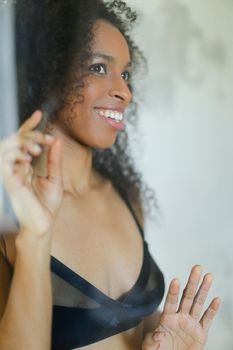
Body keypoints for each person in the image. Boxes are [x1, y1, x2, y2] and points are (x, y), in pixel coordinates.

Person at [0, 0, 220, 349]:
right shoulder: (8, 214)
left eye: (126, 74)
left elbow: (123, 325)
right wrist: (36, 238)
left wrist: (161, 337)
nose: (125, 92)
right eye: (100, 68)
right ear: (48, 72)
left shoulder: (125, 193)